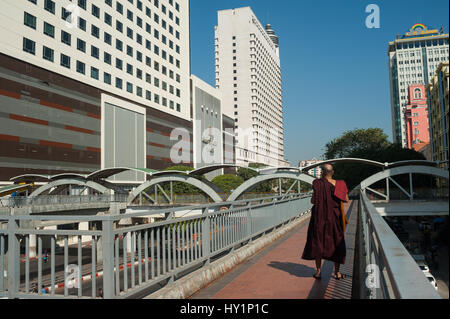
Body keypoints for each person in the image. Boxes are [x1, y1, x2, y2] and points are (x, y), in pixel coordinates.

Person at [301, 164, 349, 280]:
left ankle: (318, 272)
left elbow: (313, 201)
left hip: (319, 218)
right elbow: (346, 199)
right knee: (337, 243)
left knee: (318, 242)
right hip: (335, 219)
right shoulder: (340, 184)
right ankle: (337, 273)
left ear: (322, 172)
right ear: (332, 172)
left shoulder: (317, 184)